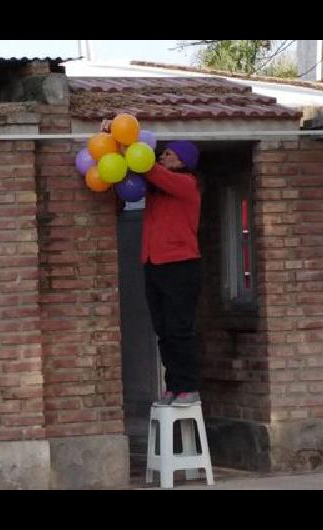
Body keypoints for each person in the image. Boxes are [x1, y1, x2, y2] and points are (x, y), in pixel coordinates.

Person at [141, 140, 203, 407]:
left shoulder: (187, 183)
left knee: (179, 328)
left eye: (167, 154)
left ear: (183, 160)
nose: (162, 157)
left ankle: (188, 386)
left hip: (180, 263)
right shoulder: (156, 190)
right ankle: (174, 385)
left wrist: (136, 155)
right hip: (153, 263)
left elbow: (153, 171)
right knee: (163, 329)